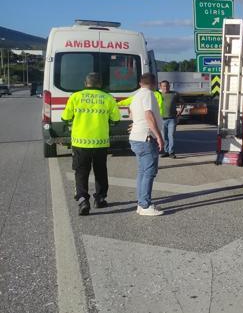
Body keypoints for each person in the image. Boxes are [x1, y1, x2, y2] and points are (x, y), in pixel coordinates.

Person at [60, 72, 121, 216]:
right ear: (100, 84)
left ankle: (82, 200)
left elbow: (65, 117)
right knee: (100, 171)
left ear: (85, 83)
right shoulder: (108, 98)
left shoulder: (75, 97)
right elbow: (116, 120)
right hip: (100, 142)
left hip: (80, 142)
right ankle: (99, 199)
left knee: (81, 172)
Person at [129, 73, 165, 216]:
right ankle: (145, 205)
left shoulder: (136, 96)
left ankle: (141, 203)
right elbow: (148, 115)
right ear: (154, 83)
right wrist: (159, 136)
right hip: (146, 138)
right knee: (149, 172)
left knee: (142, 172)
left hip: (137, 137)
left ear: (140, 83)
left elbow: (132, 115)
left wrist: (136, 125)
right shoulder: (149, 95)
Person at [159, 80, 180, 158]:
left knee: (171, 135)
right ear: (160, 87)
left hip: (172, 119)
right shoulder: (158, 95)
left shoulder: (174, 94)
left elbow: (182, 103)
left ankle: (171, 152)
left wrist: (179, 114)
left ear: (169, 86)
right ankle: (166, 151)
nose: (166, 87)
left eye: (167, 86)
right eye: (164, 86)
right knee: (164, 136)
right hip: (162, 119)